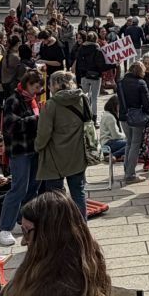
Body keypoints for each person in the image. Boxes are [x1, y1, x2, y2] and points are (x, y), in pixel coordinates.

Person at [0, 69, 44, 246]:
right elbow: (10, 125)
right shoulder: (13, 100)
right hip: (20, 150)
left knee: (32, 188)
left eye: (38, 88)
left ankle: (22, 221)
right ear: (27, 84)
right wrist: (36, 119)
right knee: (18, 189)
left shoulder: (33, 100)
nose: (36, 91)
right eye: (34, 87)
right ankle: (4, 228)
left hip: (33, 149)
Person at [33, 69, 94, 214]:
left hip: (55, 157)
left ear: (54, 85)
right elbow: (89, 119)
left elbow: (43, 133)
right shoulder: (82, 98)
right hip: (77, 153)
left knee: (55, 197)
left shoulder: (51, 105)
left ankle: (59, 229)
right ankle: (81, 228)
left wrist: (37, 147)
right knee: (78, 193)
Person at [117, 49, 149, 185]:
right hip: (136, 117)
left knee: (128, 142)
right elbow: (147, 102)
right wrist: (147, 114)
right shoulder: (141, 83)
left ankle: (127, 170)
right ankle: (130, 175)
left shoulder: (120, 82)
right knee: (135, 144)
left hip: (123, 116)